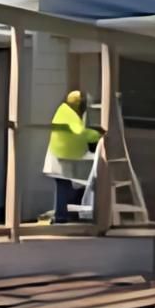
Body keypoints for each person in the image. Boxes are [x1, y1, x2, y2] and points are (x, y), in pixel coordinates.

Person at [43, 90, 101, 223]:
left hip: (62, 157)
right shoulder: (68, 114)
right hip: (59, 159)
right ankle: (62, 217)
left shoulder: (65, 111)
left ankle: (65, 216)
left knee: (68, 186)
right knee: (64, 186)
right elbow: (80, 132)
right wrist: (99, 134)